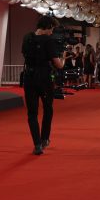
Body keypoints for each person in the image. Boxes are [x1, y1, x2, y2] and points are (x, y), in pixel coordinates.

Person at [21, 17, 64, 154]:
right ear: (48, 26)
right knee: (48, 108)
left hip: (29, 77)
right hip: (44, 78)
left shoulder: (27, 37)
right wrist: (63, 58)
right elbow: (58, 64)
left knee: (32, 113)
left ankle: (37, 144)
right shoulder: (48, 41)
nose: (52, 32)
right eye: (52, 29)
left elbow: (25, 54)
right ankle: (45, 138)